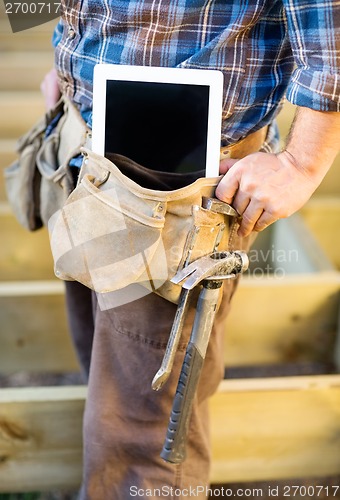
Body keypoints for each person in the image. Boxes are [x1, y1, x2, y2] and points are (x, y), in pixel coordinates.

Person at [40, 1, 340, 499]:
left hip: (177, 191)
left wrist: (304, 163)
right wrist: (68, 56)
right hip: (89, 147)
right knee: (108, 381)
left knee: (144, 439)